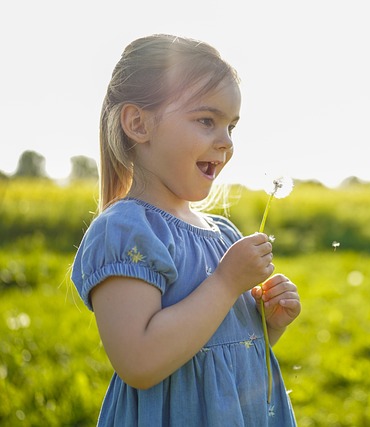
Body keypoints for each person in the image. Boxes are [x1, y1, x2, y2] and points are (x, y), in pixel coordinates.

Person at [71, 34, 301, 426]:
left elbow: (225, 352)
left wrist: (266, 325)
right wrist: (228, 283)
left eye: (232, 127)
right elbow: (140, 361)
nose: (226, 142)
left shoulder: (223, 233)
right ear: (138, 123)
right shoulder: (127, 231)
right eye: (206, 120)